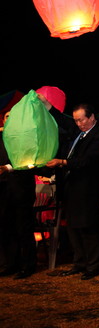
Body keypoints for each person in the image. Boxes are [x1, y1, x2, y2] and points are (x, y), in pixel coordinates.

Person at [45, 103, 99, 280]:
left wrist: (63, 162)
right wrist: (47, 106)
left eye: (82, 120)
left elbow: (88, 160)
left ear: (91, 117)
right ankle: (79, 262)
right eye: (76, 120)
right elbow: (63, 121)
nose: (79, 123)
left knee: (88, 227)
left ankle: (94, 265)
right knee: (74, 227)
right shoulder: (78, 132)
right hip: (71, 187)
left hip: (87, 189)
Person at [0, 115, 38, 279]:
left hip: (21, 188)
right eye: (6, 117)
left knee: (23, 227)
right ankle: (11, 264)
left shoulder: (26, 138)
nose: (9, 120)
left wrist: (8, 168)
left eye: (12, 117)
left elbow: (30, 161)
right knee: (6, 227)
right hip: (3, 189)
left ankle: (28, 265)